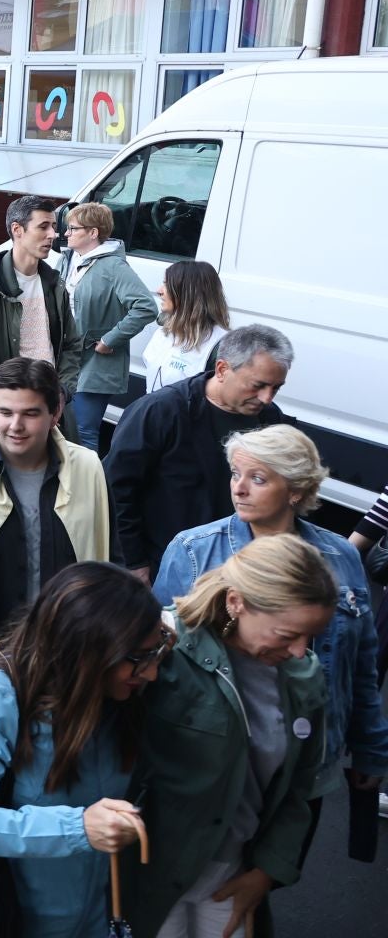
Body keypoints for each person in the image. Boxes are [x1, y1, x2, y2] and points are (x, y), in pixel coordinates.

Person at [153, 425, 387, 805]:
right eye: (235, 474)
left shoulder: (340, 556)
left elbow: (361, 663)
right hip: (215, 760)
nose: (239, 488)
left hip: (308, 759)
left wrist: (371, 746)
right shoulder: (194, 551)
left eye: (258, 479)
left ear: (296, 490)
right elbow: (158, 654)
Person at [123, 535, 334, 938]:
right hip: (150, 873)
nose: (299, 651)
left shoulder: (303, 677)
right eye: (287, 634)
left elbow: (301, 787)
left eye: (311, 636)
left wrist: (267, 871)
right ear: (236, 602)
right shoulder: (164, 650)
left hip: (232, 875)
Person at [0, 562, 160, 938]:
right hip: (9, 921)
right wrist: (79, 828)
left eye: (157, 653)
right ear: (86, 650)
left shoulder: (113, 695)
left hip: (95, 919)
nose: (152, 672)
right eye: (139, 658)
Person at [0, 357, 111, 647]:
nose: (15, 425)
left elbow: (109, 553)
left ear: (55, 413)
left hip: (69, 644)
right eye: (5, 412)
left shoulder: (88, 468)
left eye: (30, 413)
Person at [107, 323, 295, 577]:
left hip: (239, 568)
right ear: (222, 369)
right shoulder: (161, 411)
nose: (267, 398)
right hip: (169, 567)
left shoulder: (270, 420)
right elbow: (116, 490)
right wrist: (134, 563)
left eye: (276, 388)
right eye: (257, 385)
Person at [0, 195, 82, 441]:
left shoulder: (55, 284)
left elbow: (71, 345)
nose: (53, 234)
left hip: (49, 403)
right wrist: (17, 405)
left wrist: (62, 392)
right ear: (17, 230)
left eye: (53, 226)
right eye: (43, 226)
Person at [59, 202, 158, 448]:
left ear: (93, 232)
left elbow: (146, 307)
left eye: (73, 228)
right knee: (63, 429)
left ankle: (88, 475)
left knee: (82, 431)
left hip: (95, 361)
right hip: (66, 357)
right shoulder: (68, 259)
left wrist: (109, 339)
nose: (66, 233)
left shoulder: (114, 266)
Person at [141, 259, 232, 393]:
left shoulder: (220, 346)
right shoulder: (163, 332)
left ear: (188, 293)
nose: (159, 291)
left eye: (167, 285)